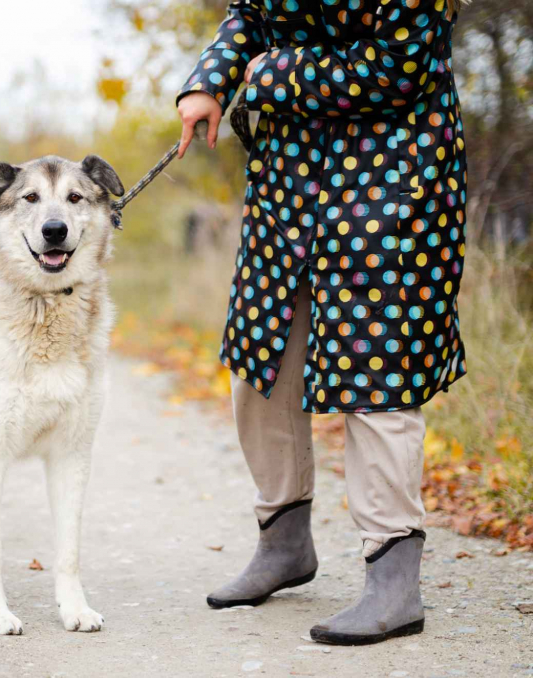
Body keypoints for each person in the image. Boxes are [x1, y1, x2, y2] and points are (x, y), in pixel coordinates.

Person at [174, 0, 468, 646]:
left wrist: (274, 74)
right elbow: (248, 14)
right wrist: (209, 82)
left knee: (377, 368)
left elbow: (398, 64)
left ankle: (395, 575)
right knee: (262, 356)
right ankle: (283, 542)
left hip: (396, 167)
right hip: (289, 175)